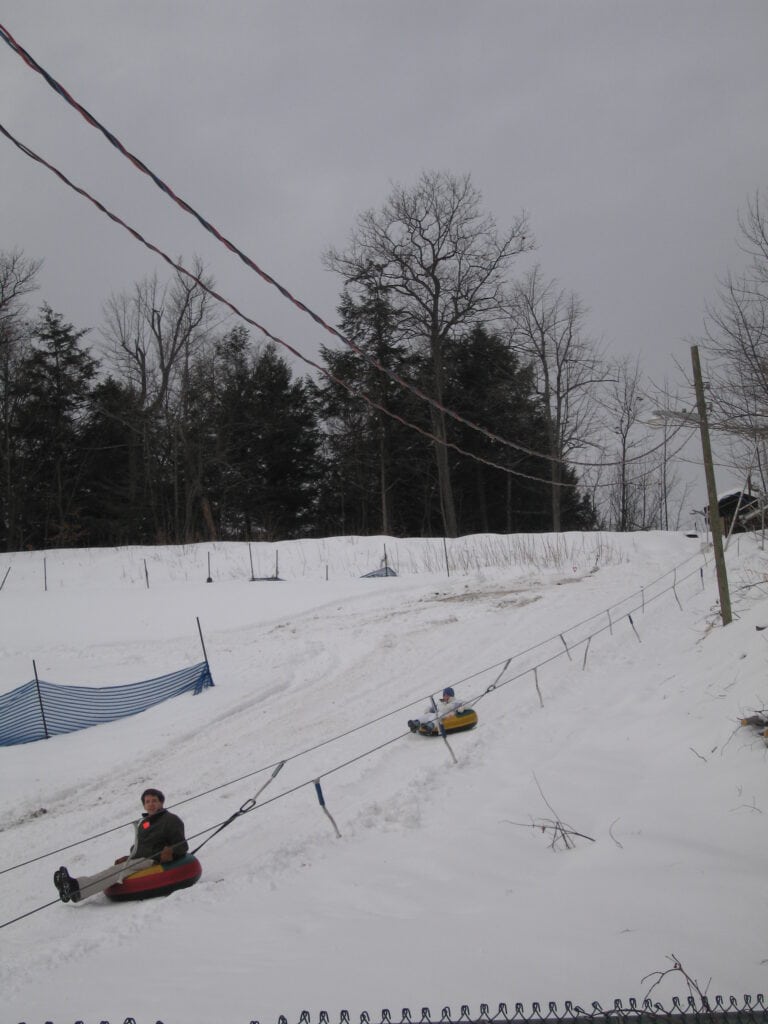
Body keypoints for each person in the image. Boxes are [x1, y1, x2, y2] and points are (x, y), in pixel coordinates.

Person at [53, 788, 188, 904]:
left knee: (116, 871)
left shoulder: (171, 820)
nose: (151, 804)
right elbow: (141, 846)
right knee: (114, 870)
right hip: (140, 860)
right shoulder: (145, 823)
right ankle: (74, 889)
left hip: (154, 860)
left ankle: (75, 887)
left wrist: (170, 852)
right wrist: (129, 856)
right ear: (144, 805)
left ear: (161, 802)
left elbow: (182, 846)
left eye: (154, 801)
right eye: (147, 802)